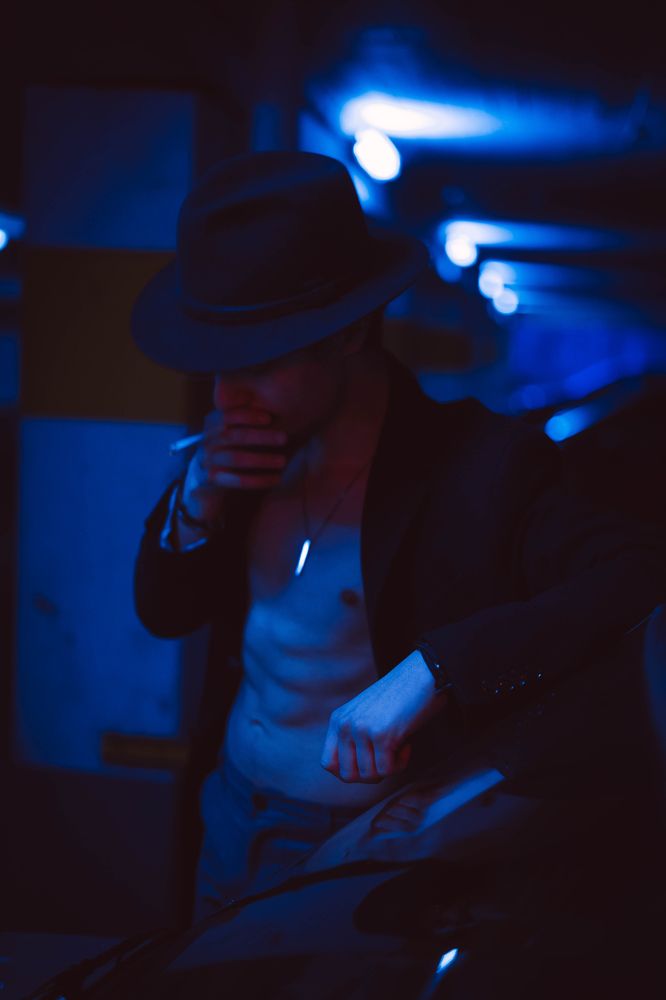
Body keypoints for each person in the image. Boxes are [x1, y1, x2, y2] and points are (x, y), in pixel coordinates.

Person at [131, 150, 665, 922]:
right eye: (216, 367)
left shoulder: (481, 466)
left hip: (360, 844)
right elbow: (164, 612)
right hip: (228, 806)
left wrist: (437, 669)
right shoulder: (242, 448)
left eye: (258, 362)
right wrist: (196, 500)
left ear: (348, 333)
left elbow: (638, 573)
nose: (225, 396)